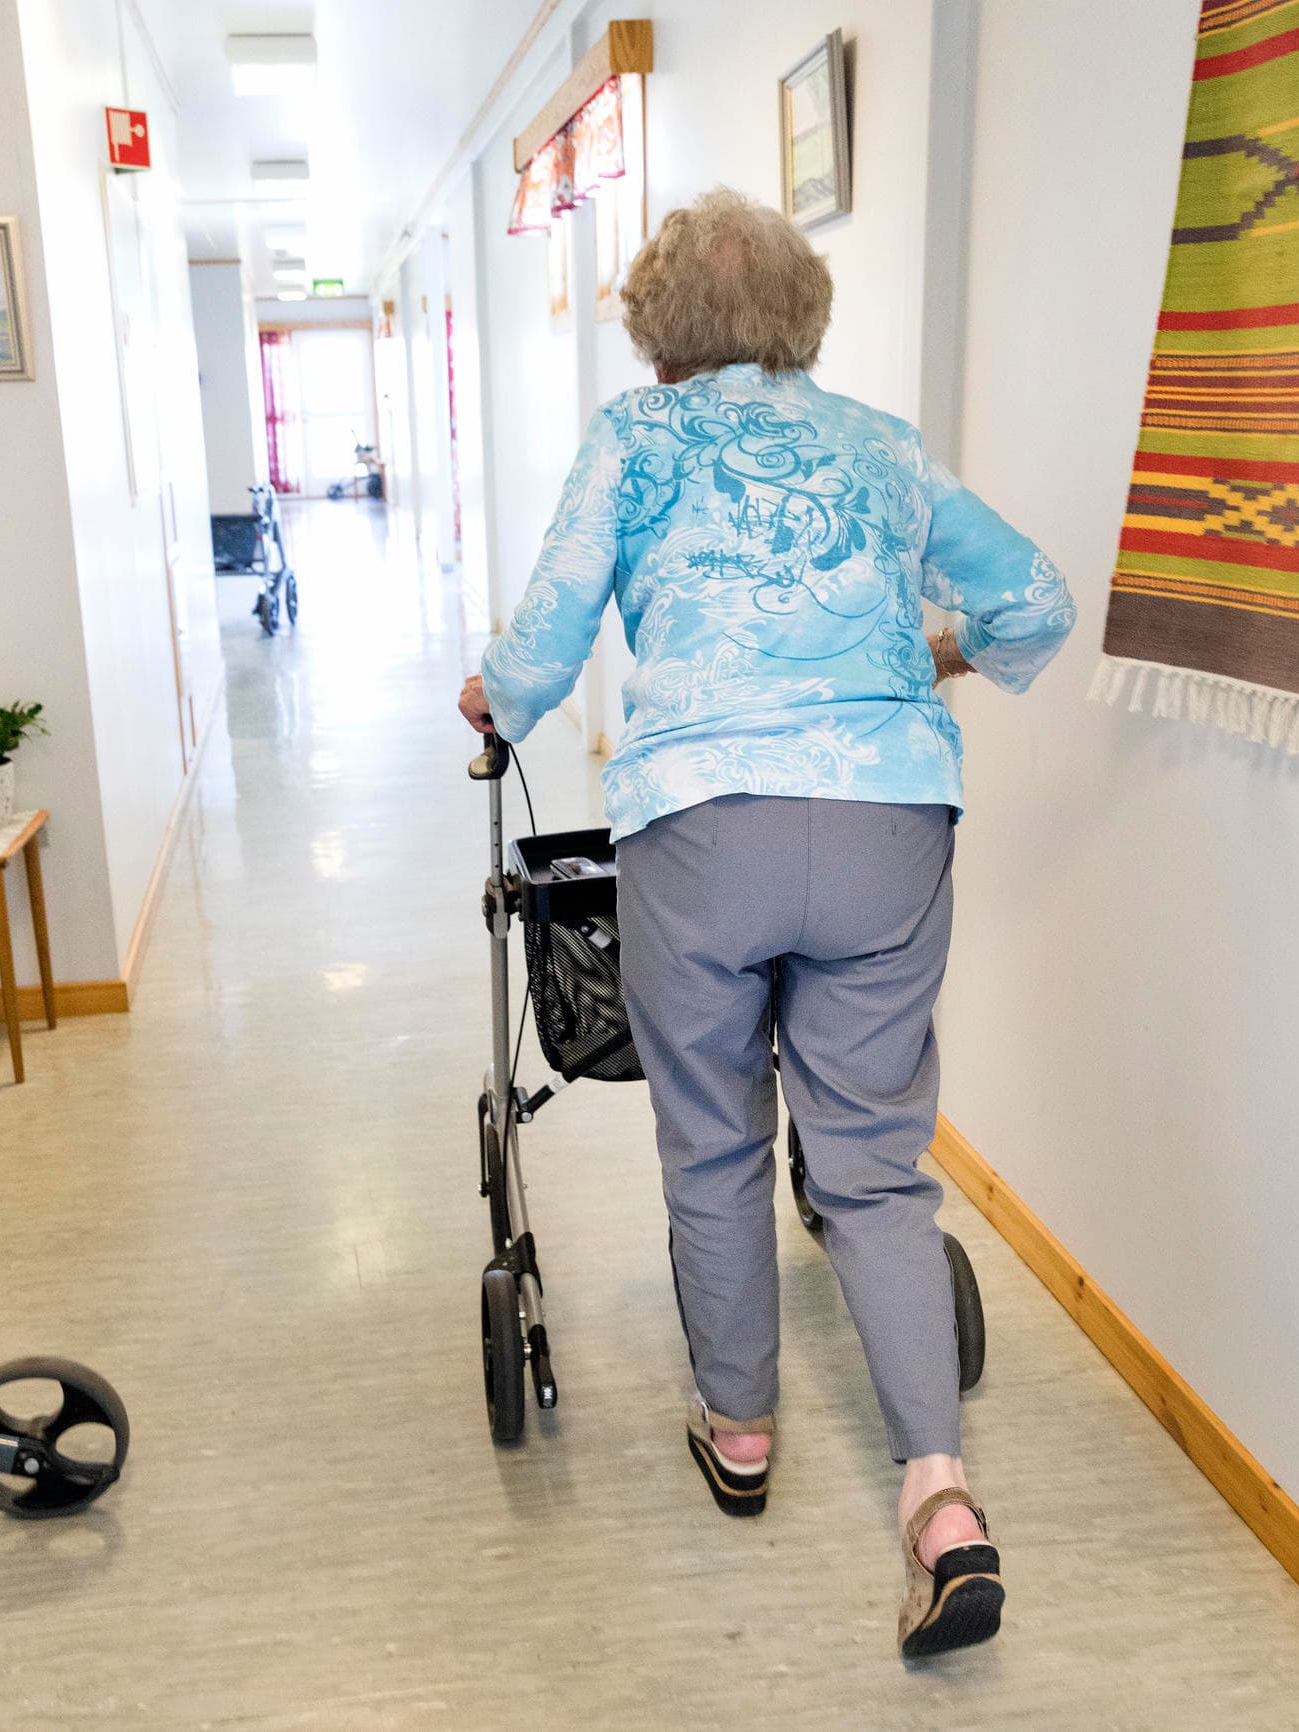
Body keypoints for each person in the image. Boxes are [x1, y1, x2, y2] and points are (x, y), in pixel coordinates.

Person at [455, 187, 1074, 1658]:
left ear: (656, 326)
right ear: (800, 312)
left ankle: (739, 1428)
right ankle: (941, 1499)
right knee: (873, 1166)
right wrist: (928, 660)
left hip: (702, 827)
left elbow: (547, 633)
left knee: (715, 1138)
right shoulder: (880, 444)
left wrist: (498, 696)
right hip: (886, 824)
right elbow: (1036, 604)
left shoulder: (636, 437)